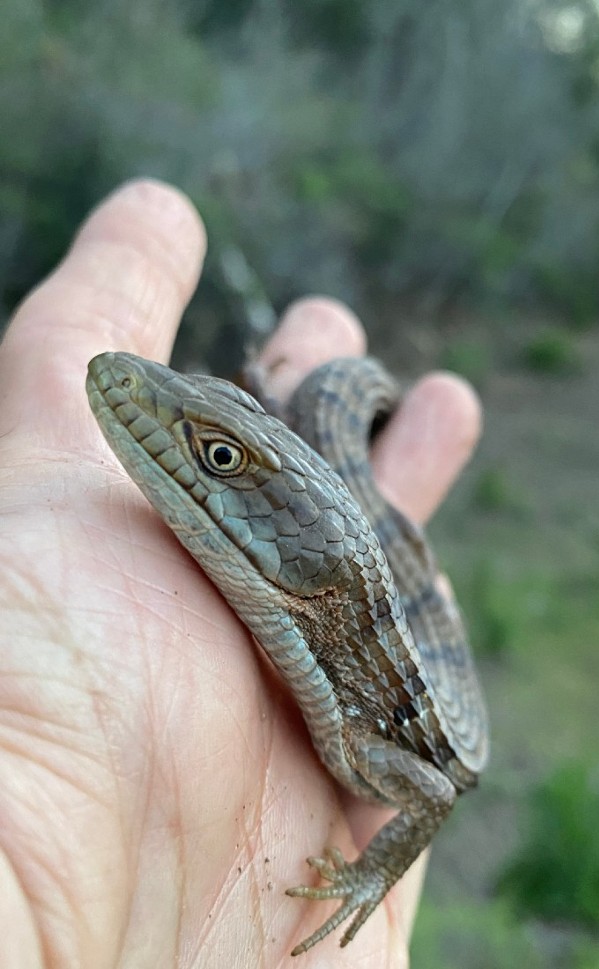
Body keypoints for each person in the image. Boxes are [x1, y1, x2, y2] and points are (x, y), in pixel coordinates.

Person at [0, 180, 481, 967]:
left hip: (420, 699)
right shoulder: (320, 579)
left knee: (331, 424)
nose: (131, 385)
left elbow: (433, 792)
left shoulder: (372, 740)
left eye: (217, 457)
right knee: (325, 400)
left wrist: (370, 878)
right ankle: (274, 411)